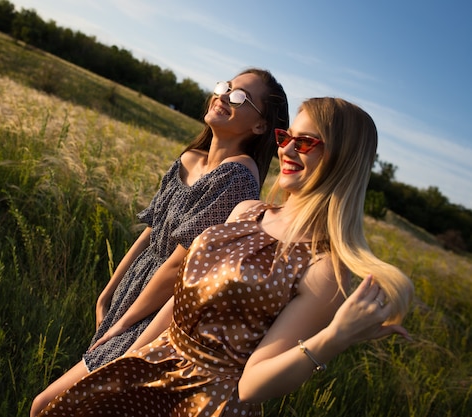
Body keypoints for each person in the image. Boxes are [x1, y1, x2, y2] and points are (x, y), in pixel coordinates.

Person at [34, 97, 415, 416]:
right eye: (286, 138)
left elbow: (252, 386)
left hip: (204, 403)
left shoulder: (322, 267)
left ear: (343, 159)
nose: (286, 149)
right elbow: (181, 301)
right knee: (47, 407)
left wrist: (333, 338)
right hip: (155, 361)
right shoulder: (247, 211)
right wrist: (130, 358)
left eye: (306, 143)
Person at [30, 68, 289, 416]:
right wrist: (107, 295)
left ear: (259, 126)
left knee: (48, 406)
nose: (224, 96)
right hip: (134, 291)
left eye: (240, 96)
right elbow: (151, 233)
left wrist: (124, 325)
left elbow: (178, 264)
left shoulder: (237, 177)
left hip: (160, 309)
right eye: (225, 87)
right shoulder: (190, 159)